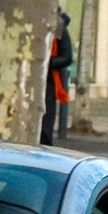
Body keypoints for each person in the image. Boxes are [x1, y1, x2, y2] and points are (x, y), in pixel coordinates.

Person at [39, 10, 74, 146]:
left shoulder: (59, 27)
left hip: (49, 82)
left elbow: (67, 57)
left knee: (45, 124)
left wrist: (47, 62)